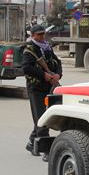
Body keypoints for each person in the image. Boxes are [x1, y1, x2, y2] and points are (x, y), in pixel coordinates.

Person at [22, 24, 62, 157]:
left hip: (49, 86)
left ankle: (33, 143)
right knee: (41, 118)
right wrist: (43, 75)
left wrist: (57, 74)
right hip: (36, 88)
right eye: (39, 34)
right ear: (32, 36)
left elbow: (57, 62)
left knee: (44, 118)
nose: (42, 36)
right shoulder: (29, 50)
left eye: (43, 34)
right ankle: (46, 150)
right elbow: (27, 68)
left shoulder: (47, 47)